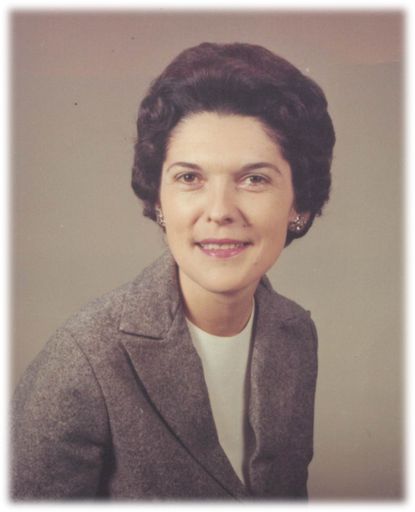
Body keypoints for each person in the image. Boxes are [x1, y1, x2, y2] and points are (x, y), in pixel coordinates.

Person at [11, 42, 335, 500]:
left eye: (254, 179)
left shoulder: (295, 334)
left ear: (299, 203)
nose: (219, 210)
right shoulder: (84, 360)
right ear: (158, 199)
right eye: (189, 178)